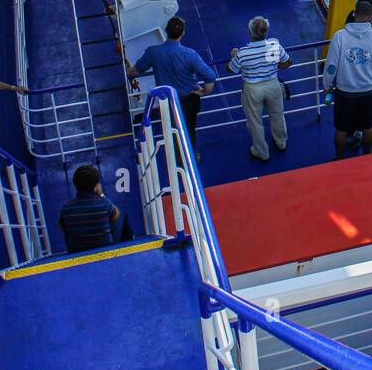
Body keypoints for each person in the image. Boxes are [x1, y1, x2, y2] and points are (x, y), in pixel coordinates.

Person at [128, 16, 216, 158]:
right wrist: (204, 92)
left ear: (166, 31)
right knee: (189, 128)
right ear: (183, 34)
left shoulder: (153, 52)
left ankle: (177, 155)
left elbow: (136, 70)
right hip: (190, 99)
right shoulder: (190, 54)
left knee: (172, 128)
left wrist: (129, 73)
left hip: (167, 100)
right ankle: (191, 155)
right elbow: (210, 76)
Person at [322, 0, 372, 159]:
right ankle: (367, 156)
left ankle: (340, 158)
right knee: (368, 127)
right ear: (371, 17)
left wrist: (327, 85)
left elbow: (331, 66)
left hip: (344, 92)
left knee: (341, 128)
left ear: (354, 13)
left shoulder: (339, 36)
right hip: (368, 92)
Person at [228, 16, 292, 163]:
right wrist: (275, 67)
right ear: (266, 32)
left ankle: (261, 151)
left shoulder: (243, 53)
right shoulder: (275, 46)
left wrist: (234, 56)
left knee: (255, 120)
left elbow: (231, 69)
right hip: (273, 84)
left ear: (250, 32)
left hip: (253, 88)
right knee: (277, 114)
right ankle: (281, 142)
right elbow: (288, 62)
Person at [58, 164, 133, 254]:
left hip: (77, 251)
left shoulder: (66, 207)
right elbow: (116, 216)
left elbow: (61, 227)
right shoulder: (104, 203)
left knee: (66, 224)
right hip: (104, 248)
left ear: (74, 184)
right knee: (121, 215)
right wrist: (101, 195)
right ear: (96, 185)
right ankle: (129, 250)